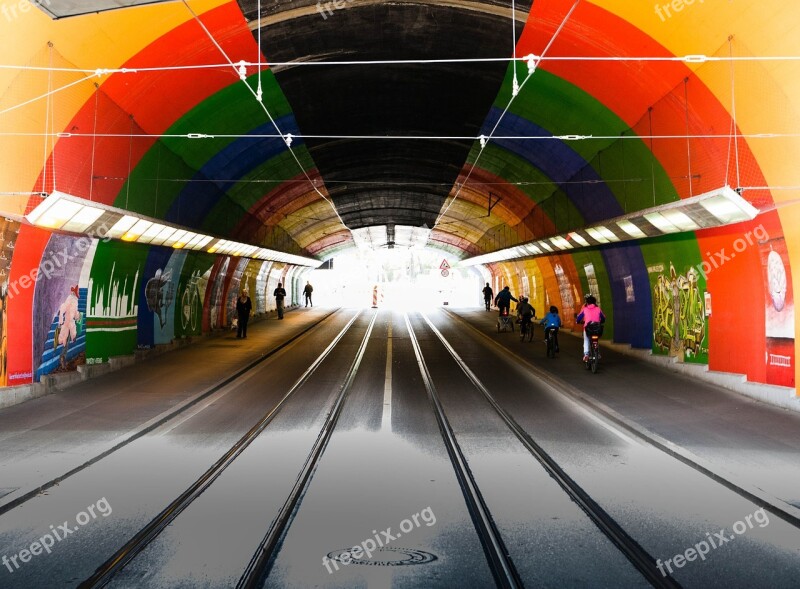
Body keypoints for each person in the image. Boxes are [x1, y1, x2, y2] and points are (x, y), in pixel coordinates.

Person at [576, 295, 606, 362]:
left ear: (587, 302)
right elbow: (603, 317)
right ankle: (597, 353)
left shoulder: (585, 309)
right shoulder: (598, 309)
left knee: (586, 340)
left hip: (588, 328)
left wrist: (577, 321)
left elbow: (579, 317)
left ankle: (586, 355)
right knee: (596, 340)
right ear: (595, 302)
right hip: (597, 328)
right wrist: (602, 321)